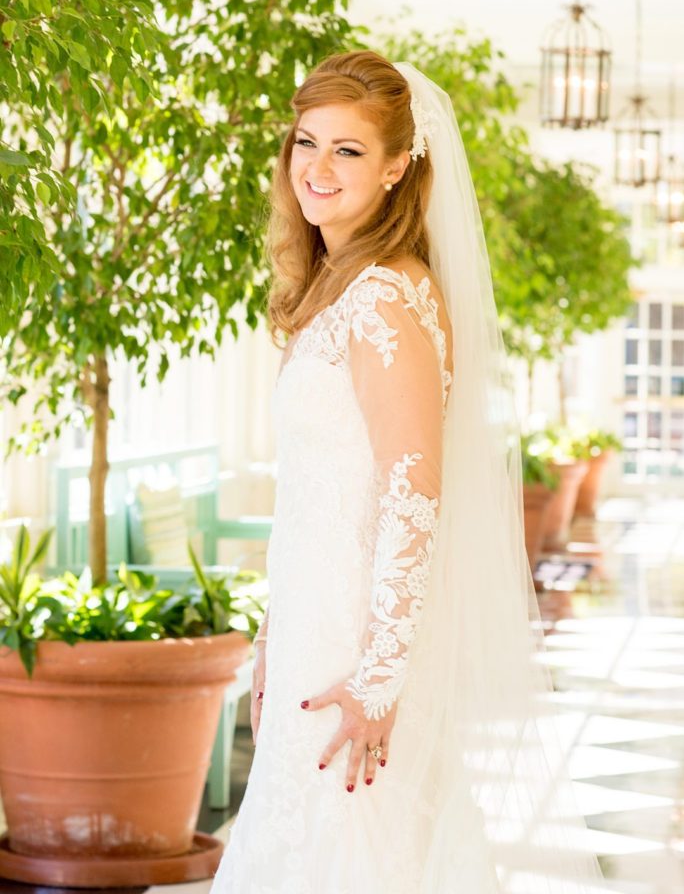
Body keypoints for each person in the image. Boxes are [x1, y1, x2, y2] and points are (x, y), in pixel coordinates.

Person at [209, 51, 607, 893]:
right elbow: (314, 498)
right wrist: (278, 640)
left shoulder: (386, 298)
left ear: (397, 166)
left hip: (357, 649)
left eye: (347, 151)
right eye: (305, 141)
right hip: (317, 635)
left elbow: (411, 492)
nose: (315, 168)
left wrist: (379, 677)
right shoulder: (337, 290)